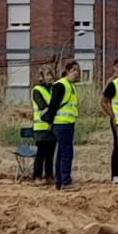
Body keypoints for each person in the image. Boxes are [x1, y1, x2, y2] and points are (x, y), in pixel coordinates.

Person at [43, 61, 80, 189]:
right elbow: (53, 106)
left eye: (78, 71)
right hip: (61, 124)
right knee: (66, 152)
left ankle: (60, 181)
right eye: (75, 70)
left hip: (68, 123)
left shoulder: (70, 86)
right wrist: (50, 123)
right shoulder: (61, 85)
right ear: (68, 70)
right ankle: (65, 181)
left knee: (62, 152)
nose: (77, 73)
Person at [30, 65, 57, 183]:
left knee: (50, 154)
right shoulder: (37, 90)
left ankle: (49, 176)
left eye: (51, 74)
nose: (50, 77)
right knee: (41, 154)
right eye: (47, 74)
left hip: (52, 127)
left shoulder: (54, 89)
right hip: (41, 127)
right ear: (41, 77)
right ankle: (37, 176)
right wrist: (50, 120)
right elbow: (43, 108)